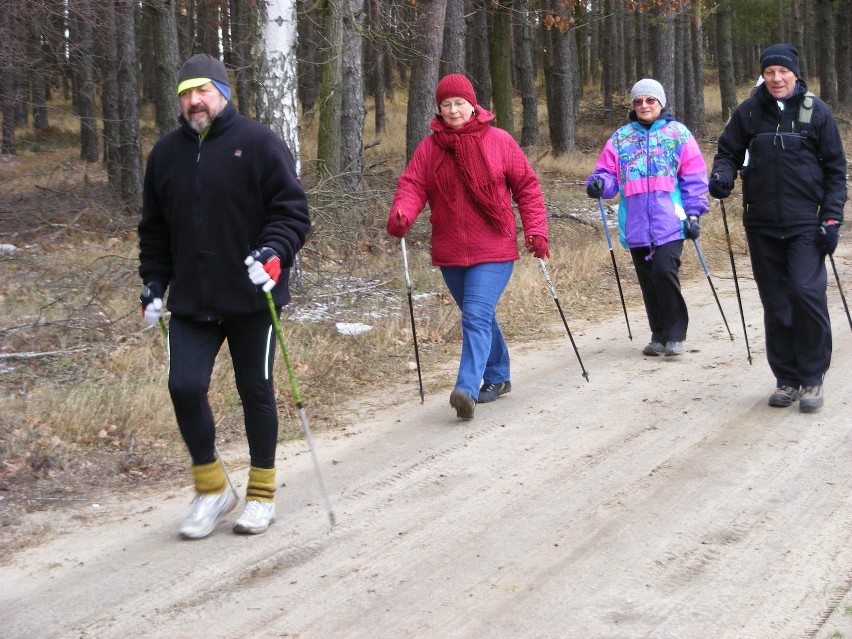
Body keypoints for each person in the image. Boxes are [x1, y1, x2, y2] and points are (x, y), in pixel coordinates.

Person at [138, 53, 311, 538]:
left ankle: (261, 493)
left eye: (203, 91)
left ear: (223, 94)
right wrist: (153, 282)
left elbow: (292, 212)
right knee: (183, 386)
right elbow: (154, 231)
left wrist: (274, 253)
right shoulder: (165, 155)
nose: (194, 101)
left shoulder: (258, 144)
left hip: (252, 297)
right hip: (193, 301)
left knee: (254, 390)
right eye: (186, 94)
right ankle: (213, 489)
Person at [387, 74, 549, 420]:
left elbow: (527, 187)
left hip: (494, 245)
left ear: (473, 104)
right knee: (480, 315)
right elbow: (413, 185)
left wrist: (535, 230)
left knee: (475, 314)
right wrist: (403, 213)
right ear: (439, 110)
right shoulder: (430, 148)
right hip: (450, 249)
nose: (453, 110)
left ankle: (466, 388)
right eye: (446, 104)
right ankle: (499, 375)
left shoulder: (499, 140)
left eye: (459, 102)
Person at [709, 44, 846, 413]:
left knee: (806, 295)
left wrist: (831, 219)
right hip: (762, 224)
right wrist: (722, 175)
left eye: (782, 72)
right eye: (769, 72)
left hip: (807, 225)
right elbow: (728, 152)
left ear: (795, 74)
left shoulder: (816, 113)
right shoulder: (749, 112)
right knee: (776, 303)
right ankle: (786, 378)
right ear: (763, 76)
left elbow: (836, 171)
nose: (776, 78)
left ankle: (813, 377)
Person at [586, 79, 709, 358]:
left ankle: (675, 334)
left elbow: (694, 177)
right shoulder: (621, 138)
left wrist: (694, 213)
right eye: (638, 101)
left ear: (661, 103)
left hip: (671, 222)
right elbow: (606, 175)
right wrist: (598, 184)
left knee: (665, 272)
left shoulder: (678, 134)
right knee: (648, 279)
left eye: (650, 100)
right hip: (636, 223)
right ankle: (658, 334)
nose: (644, 105)